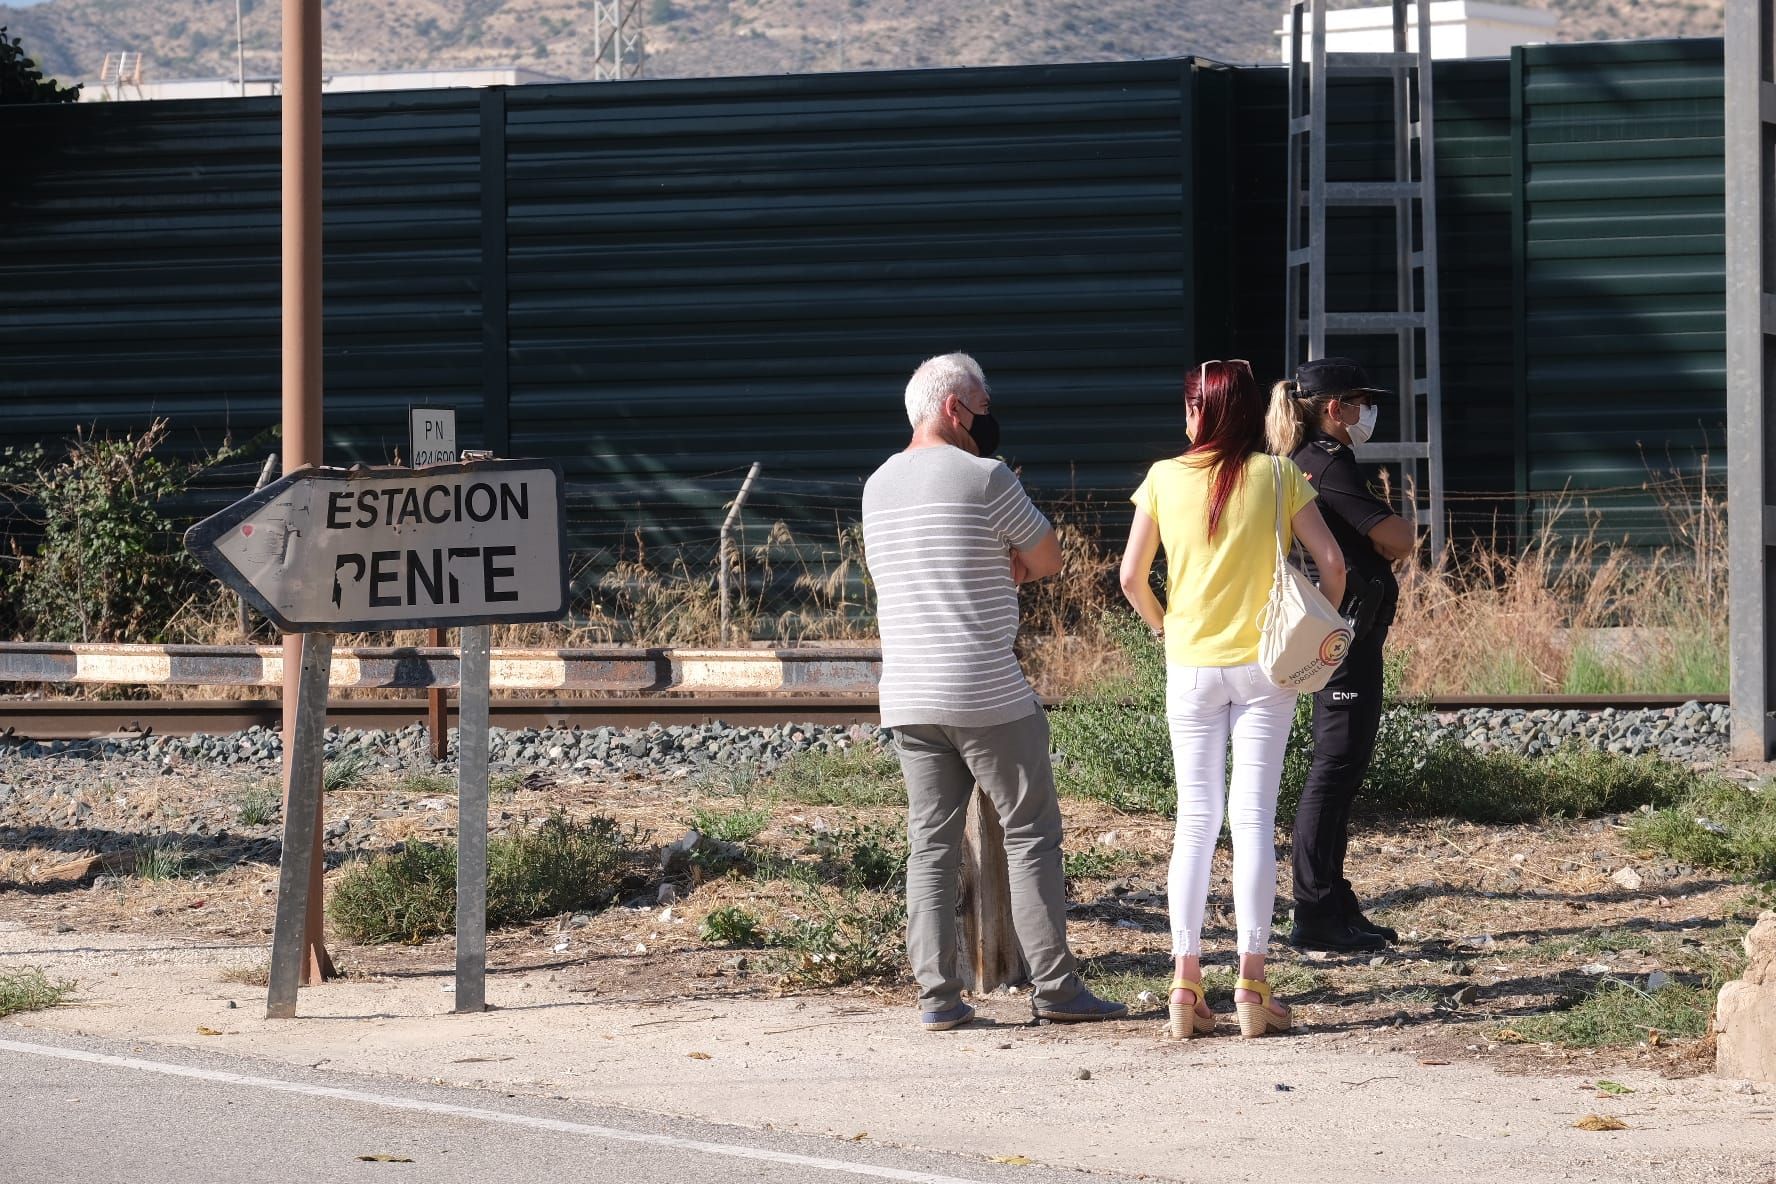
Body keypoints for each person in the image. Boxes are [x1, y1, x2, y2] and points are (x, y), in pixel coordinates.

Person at [862, 352, 1128, 1032]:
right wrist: (1004, 561)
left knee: (931, 845)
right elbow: (1048, 557)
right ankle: (1057, 990)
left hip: (909, 694)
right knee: (1031, 832)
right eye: (982, 407)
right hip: (983, 686)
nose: (989, 420)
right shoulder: (984, 477)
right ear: (954, 409)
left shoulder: (877, 484)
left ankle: (938, 999)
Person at [1120, 359, 1346, 1039]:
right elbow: (1332, 565)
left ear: (1199, 413)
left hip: (1190, 665)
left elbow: (1132, 577)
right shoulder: (1279, 478)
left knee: (1195, 821)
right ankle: (1252, 980)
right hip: (1264, 670)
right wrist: (1311, 635)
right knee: (1251, 819)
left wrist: (1165, 630)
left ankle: (1186, 983)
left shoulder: (1162, 479)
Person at [1266, 357, 1419, 952]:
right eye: (1359, 402)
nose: (1366, 413)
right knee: (1333, 769)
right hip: (1345, 639)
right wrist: (1396, 533)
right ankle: (1316, 910)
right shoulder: (1325, 467)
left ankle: (1333, 898)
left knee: (1343, 766)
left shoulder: (1317, 463)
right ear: (1333, 408)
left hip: (1351, 636)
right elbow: (1397, 536)